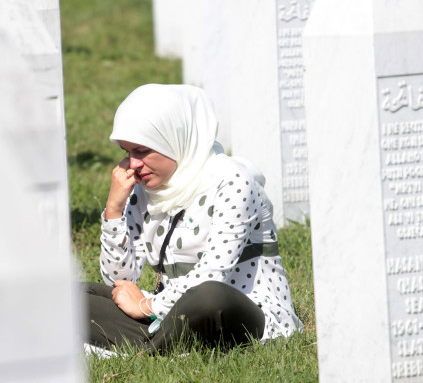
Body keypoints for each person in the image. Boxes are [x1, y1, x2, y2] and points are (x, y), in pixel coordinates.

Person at [83, 84, 302, 353]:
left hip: (238, 314)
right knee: (75, 298)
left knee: (208, 296)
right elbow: (120, 281)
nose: (133, 164)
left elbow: (213, 274)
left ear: (172, 140)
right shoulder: (143, 189)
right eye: (128, 153)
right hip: (169, 315)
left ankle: (144, 351)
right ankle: (162, 345)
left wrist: (145, 306)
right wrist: (114, 210)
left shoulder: (233, 182)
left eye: (141, 151)